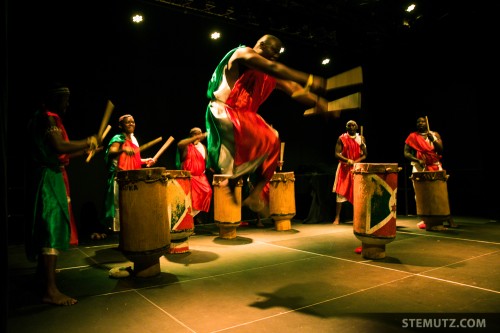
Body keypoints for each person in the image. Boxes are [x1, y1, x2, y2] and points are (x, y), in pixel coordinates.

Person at [205, 34, 329, 216]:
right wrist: (309, 79)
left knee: (274, 142)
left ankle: (253, 194)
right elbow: (273, 67)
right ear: (261, 44)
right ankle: (234, 180)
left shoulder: (269, 74)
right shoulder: (242, 53)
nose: (276, 55)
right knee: (269, 137)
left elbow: (294, 89)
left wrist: (319, 103)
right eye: (273, 50)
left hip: (244, 116)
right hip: (224, 110)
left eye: (278, 53)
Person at [26, 82, 101, 305]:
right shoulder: (47, 118)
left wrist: (87, 149)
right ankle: (50, 290)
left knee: (47, 227)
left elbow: (61, 152)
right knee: (51, 227)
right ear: (54, 100)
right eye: (65, 101)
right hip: (49, 178)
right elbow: (59, 146)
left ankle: (42, 277)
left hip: (50, 175)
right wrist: (87, 140)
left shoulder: (41, 118)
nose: (67, 105)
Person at [99, 114, 156, 237]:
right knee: (122, 208)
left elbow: (134, 158)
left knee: (132, 207)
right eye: (127, 122)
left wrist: (145, 160)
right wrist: (122, 150)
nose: (131, 124)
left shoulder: (134, 140)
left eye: (133, 122)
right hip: (121, 178)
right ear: (121, 125)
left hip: (133, 177)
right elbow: (111, 153)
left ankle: (131, 236)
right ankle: (123, 238)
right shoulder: (118, 138)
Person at [404, 116, 457, 229]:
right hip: (419, 167)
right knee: (420, 194)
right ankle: (426, 218)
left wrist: (432, 139)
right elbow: (406, 153)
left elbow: (441, 149)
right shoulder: (412, 136)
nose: (420, 123)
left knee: (440, 193)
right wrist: (417, 160)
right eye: (418, 122)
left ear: (427, 123)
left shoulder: (434, 134)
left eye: (423, 121)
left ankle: (447, 218)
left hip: (435, 165)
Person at [332, 120, 367, 225]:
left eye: (353, 125)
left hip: (356, 168)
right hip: (343, 168)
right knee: (340, 192)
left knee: (357, 192)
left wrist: (355, 162)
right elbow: (336, 154)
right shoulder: (341, 138)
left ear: (356, 127)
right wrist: (347, 160)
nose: (351, 127)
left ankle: (358, 217)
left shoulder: (361, 139)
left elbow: (365, 155)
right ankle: (337, 217)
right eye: (349, 125)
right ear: (346, 127)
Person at [175, 127, 212, 220]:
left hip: (200, 177)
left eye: (199, 134)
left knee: (208, 192)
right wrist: (195, 138)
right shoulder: (186, 146)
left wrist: (217, 170)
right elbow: (179, 144)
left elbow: (207, 163)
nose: (197, 136)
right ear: (190, 136)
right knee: (190, 200)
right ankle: (187, 219)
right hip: (188, 177)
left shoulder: (203, 147)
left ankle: (189, 217)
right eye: (195, 134)